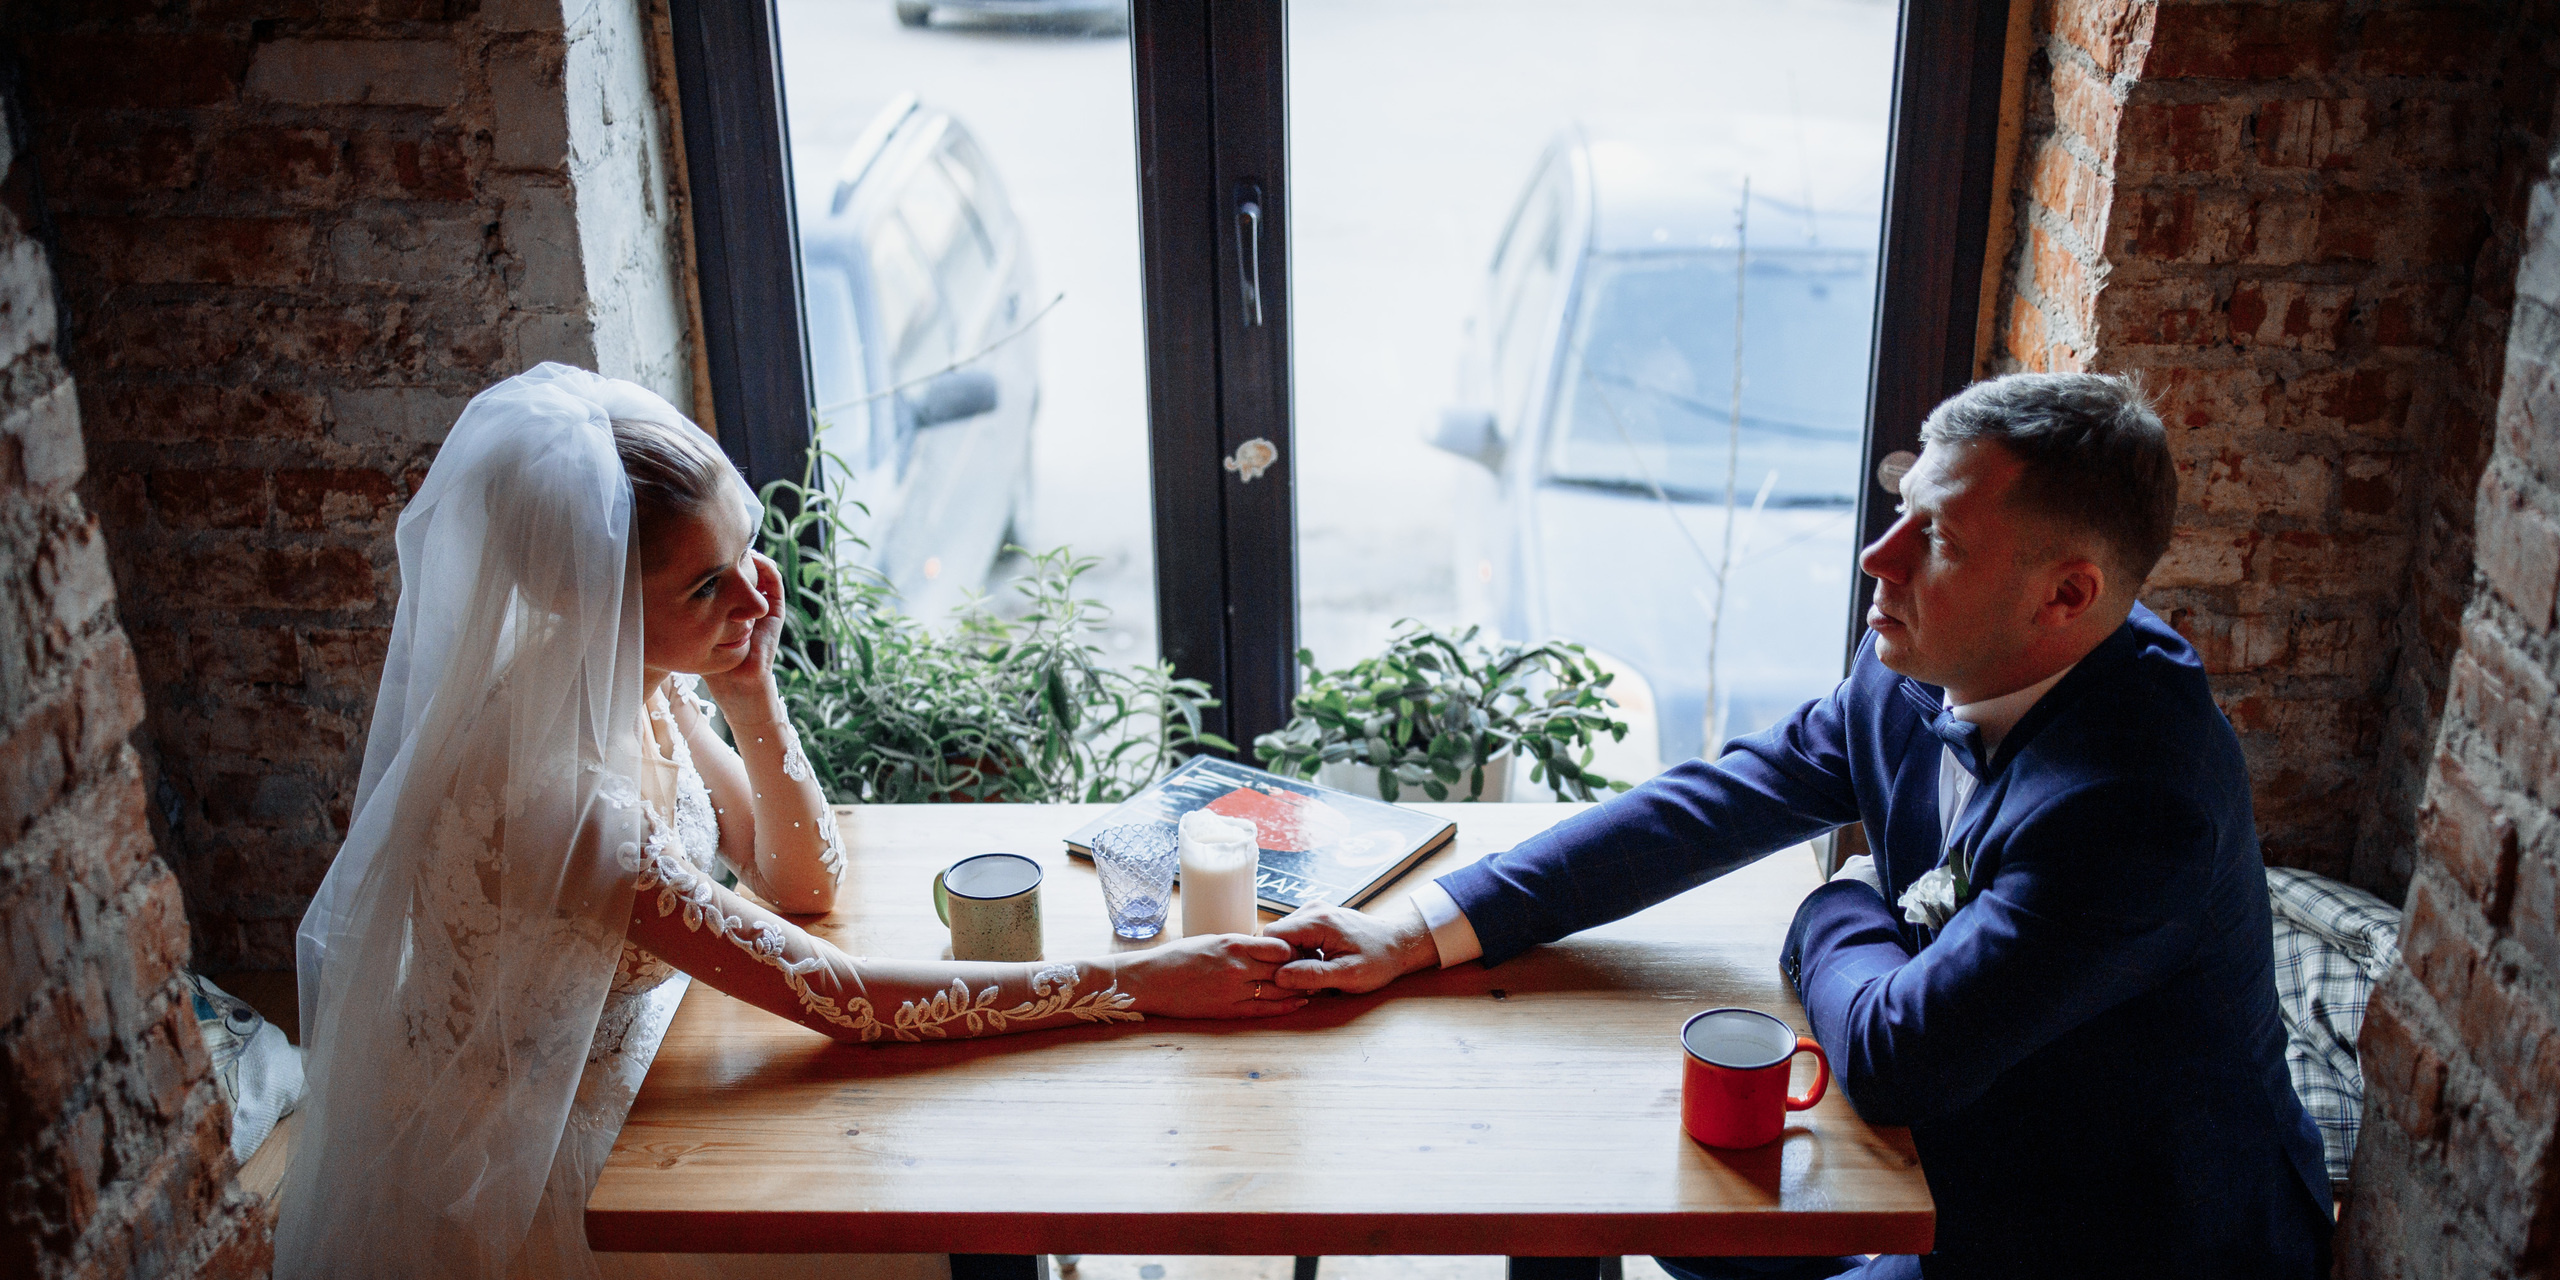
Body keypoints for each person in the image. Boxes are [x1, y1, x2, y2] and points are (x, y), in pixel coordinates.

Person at [1265, 373, 2335, 1279]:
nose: (1880, 555)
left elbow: (1889, 1055)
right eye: (1901, 506)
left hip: (2112, 1230)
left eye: (1941, 538)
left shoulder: (2136, 805)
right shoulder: (1924, 650)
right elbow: (1722, 797)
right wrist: (1418, 929)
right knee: (1662, 1214)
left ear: (2066, 594)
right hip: (1945, 1144)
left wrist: (1833, 901)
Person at [274, 365, 1304, 1280]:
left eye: (749, 548)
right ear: (602, 603)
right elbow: (845, 997)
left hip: (672, 1050)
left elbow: (800, 882)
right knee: (939, 1207)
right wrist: (1140, 981)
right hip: (553, 1165)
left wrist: (753, 692)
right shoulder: (570, 802)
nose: (758, 590)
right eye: (708, 583)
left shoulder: (625, 678)